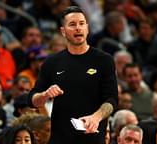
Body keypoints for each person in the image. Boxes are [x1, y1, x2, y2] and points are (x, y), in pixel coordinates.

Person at [27, 6, 118, 144]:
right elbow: (32, 100)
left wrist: (96, 117)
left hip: (92, 137)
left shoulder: (104, 60)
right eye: (72, 24)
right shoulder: (52, 62)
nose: (78, 28)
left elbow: (112, 99)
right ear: (63, 31)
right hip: (60, 139)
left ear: (87, 28)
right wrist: (45, 95)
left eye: (81, 23)